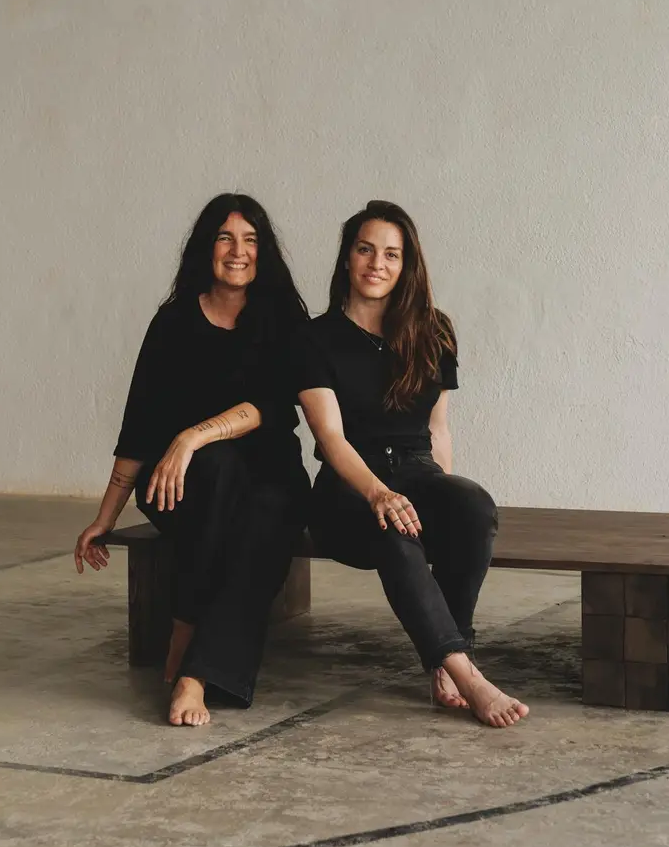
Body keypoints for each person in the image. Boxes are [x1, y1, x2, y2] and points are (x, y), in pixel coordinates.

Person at [74, 194, 310, 727]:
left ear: (264, 251)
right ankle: (192, 644)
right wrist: (105, 517)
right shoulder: (174, 321)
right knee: (219, 472)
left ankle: (193, 663)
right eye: (225, 238)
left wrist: (191, 437)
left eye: (250, 240)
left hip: (270, 479)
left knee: (257, 522)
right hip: (182, 487)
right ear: (206, 247)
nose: (238, 251)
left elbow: (272, 405)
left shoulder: (281, 319)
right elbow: (138, 425)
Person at [293, 201, 529, 727]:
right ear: (347, 258)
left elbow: (438, 430)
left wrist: (441, 499)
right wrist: (378, 493)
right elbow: (330, 437)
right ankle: (467, 674)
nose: (377, 263)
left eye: (391, 254)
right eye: (365, 249)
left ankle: (450, 656)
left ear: (406, 265)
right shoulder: (314, 338)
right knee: (392, 528)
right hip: (347, 488)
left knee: (472, 507)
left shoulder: (434, 330)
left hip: (417, 472)